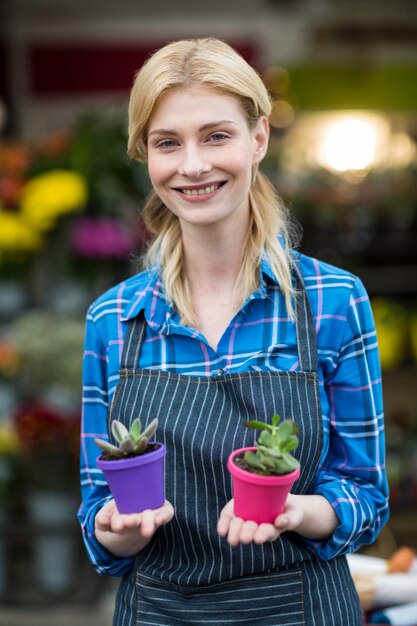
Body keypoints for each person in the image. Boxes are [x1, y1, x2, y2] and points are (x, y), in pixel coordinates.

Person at [78, 38, 389, 625]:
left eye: (216, 136)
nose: (193, 165)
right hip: (159, 613)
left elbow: (365, 496)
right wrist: (117, 529)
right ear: (146, 154)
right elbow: (98, 511)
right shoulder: (114, 320)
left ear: (259, 138)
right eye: (168, 143)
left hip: (302, 609)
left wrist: (299, 512)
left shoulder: (331, 302)